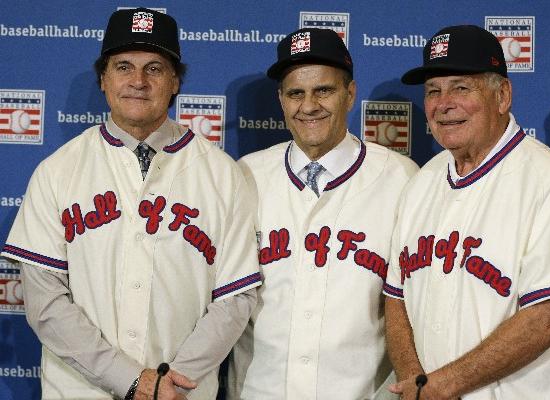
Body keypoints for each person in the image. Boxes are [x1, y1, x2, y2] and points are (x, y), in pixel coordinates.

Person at [1, 7, 261, 400]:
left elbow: (235, 297)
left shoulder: (222, 174)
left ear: (175, 81)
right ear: (104, 79)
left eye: (154, 68)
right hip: (80, 391)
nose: (138, 81)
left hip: (182, 393)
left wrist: (172, 381)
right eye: (123, 66)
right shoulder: (57, 171)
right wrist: (130, 379)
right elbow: (45, 301)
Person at [384, 24, 550, 400]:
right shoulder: (422, 182)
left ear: (502, 96)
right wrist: (415, 382)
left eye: (461, 88)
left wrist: (442, 386)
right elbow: (396, 296)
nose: (443, 103)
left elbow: (547, 321)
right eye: (433, 91)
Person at [227, 28, 419, 399]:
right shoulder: (246, 175)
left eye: (324, 91)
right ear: (281, 99)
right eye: (296, 93)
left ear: (350, 94)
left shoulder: (401, 178)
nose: (309, 105)